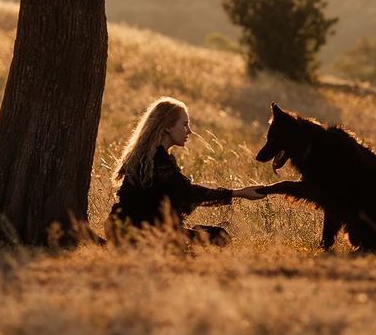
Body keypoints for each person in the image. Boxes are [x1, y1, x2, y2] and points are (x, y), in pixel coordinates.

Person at [106, 96, 265, 246]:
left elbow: (177, 193)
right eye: (184, 124)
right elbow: (188, 192)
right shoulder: (157, 160)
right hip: (138, 233)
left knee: (212, 233)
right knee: (219, 236)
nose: (189, 131)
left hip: (125, 228)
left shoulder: (150, 156)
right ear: (168, 126)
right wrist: (240, 193)